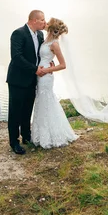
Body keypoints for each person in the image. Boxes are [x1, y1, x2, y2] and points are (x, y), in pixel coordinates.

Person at [31, 17, 78, 149]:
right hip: (40, 73)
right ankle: (41, 134)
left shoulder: (55, 44)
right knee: (41, 101)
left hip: (46, 76)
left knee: (46, 101)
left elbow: (63, 65)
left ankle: (51, 135)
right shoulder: (46, 39)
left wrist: (48, 69)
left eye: (47, 23)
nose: (45, 24)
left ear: (52, 28)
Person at [6, 10, 47, 155]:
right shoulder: (18, 33)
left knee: (27, 109)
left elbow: (40, 54)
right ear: (34, 20)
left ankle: (26, 136)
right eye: (42, 20)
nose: (44, 22)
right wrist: (35, 69)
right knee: (15, 112)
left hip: (32, 80)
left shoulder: (40, 34)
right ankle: (14, 142)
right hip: (17, 80)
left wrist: (48, 62)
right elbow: (16, 57)